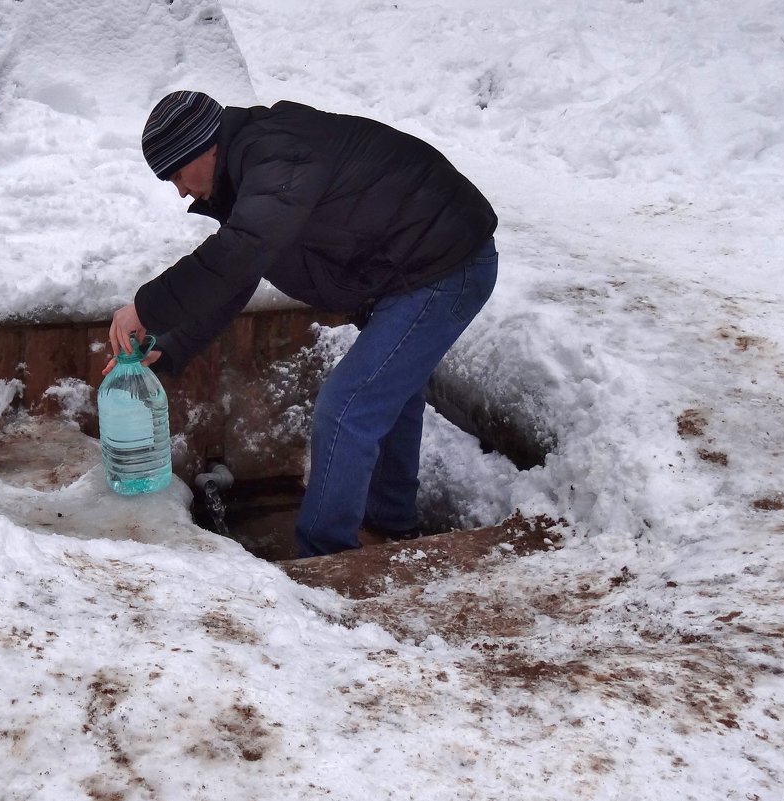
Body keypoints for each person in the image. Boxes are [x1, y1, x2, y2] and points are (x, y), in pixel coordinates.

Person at [108, 90, 498, 558]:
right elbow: (239, 273)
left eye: (176, 173)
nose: (179, 190)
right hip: (406, 269)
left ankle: (325, 561)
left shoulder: (278, 153)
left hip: (444, 265)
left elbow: (239, 253)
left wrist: (146, 307)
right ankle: (393, 527)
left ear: (205, 147)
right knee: (388, 397)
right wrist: (168, 344)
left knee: (348, 406)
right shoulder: (253, 173)